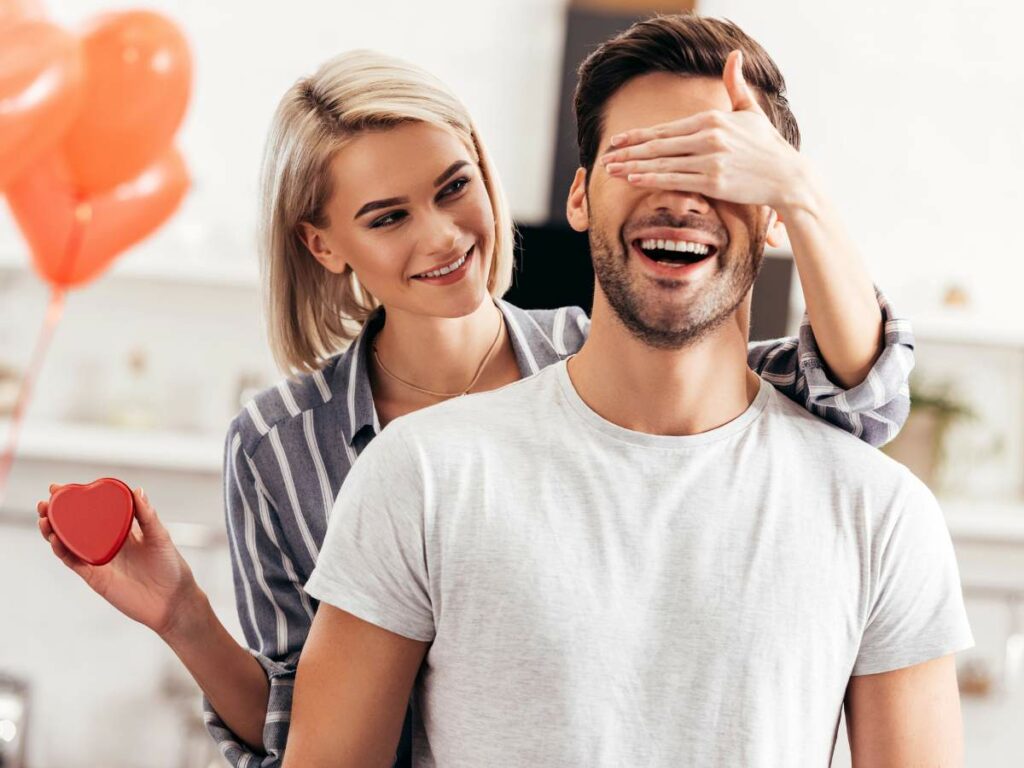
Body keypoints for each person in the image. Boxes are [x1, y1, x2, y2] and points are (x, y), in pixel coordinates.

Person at [37, 37, 916, 767]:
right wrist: (183, 615)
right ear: (325, 242)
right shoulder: (279, 444)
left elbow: (860, 399)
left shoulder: (611, 361)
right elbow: (296, 731)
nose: (444, 236)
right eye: (387, 217)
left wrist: (793, 190)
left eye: (455, 188)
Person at [283, 15, 973, 768]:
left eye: (719, 164)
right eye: (641, 157)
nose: (679, 194)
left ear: (775, 211)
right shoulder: (421, 476)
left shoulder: (880, 515)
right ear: (580, 198)